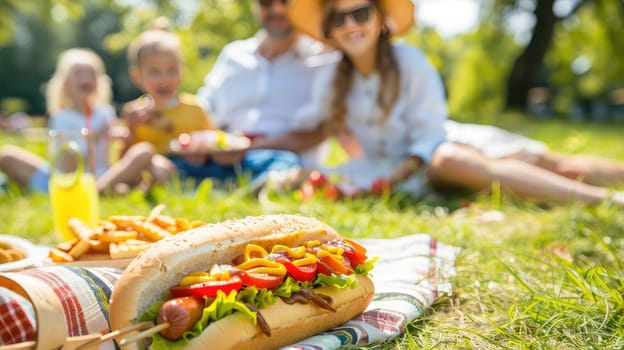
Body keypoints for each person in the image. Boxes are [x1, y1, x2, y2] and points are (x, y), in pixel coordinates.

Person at [264, 0, 624, 206]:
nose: (351, 24)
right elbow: (308, 128)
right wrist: (250, 144)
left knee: (557, 165)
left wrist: (402, 172)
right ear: (329, 29)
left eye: (360, 13)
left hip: (447, 149)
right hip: (413, 169)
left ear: (380, 20)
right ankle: (601, 200)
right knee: (452, 162)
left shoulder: (410, 62)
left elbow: (431, 134)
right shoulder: (330, 79)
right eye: (339, 18)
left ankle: (605, 195)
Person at [123, 18, 300, 188]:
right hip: (164, 169)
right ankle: (105, 188)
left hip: (199, 169)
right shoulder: (135, 113)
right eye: (155, 71)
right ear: (137, 76)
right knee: (146, 155)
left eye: (171, 71)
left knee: (282, 160)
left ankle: (258, 183)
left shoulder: (195, 108)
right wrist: (130, 129)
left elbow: (212, 142)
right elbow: (125, 160)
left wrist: (211, 154)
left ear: (181, 72)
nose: (164, 79)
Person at [196, 0, 347, 171]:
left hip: (284, 162)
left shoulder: (325, 60)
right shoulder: (233, 55)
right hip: (220, 157)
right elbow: (203, 107)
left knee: (283, 165)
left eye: (285, 2)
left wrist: (252, 148)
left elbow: (327, 128)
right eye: (266, 3)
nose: (276, 9)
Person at [0, 48, 169, 195]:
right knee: (6, 155)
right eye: (79, 73)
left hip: (101, 175)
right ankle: (104, 191)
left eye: (91, 73)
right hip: (65, 179)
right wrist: (98, 134)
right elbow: (70, 164)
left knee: (144, 152)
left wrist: (126, 132)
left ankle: (102, 189)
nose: (86, 77)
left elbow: (114, 150)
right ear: (65, 84)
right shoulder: (62, 118)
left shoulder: (104, 113)